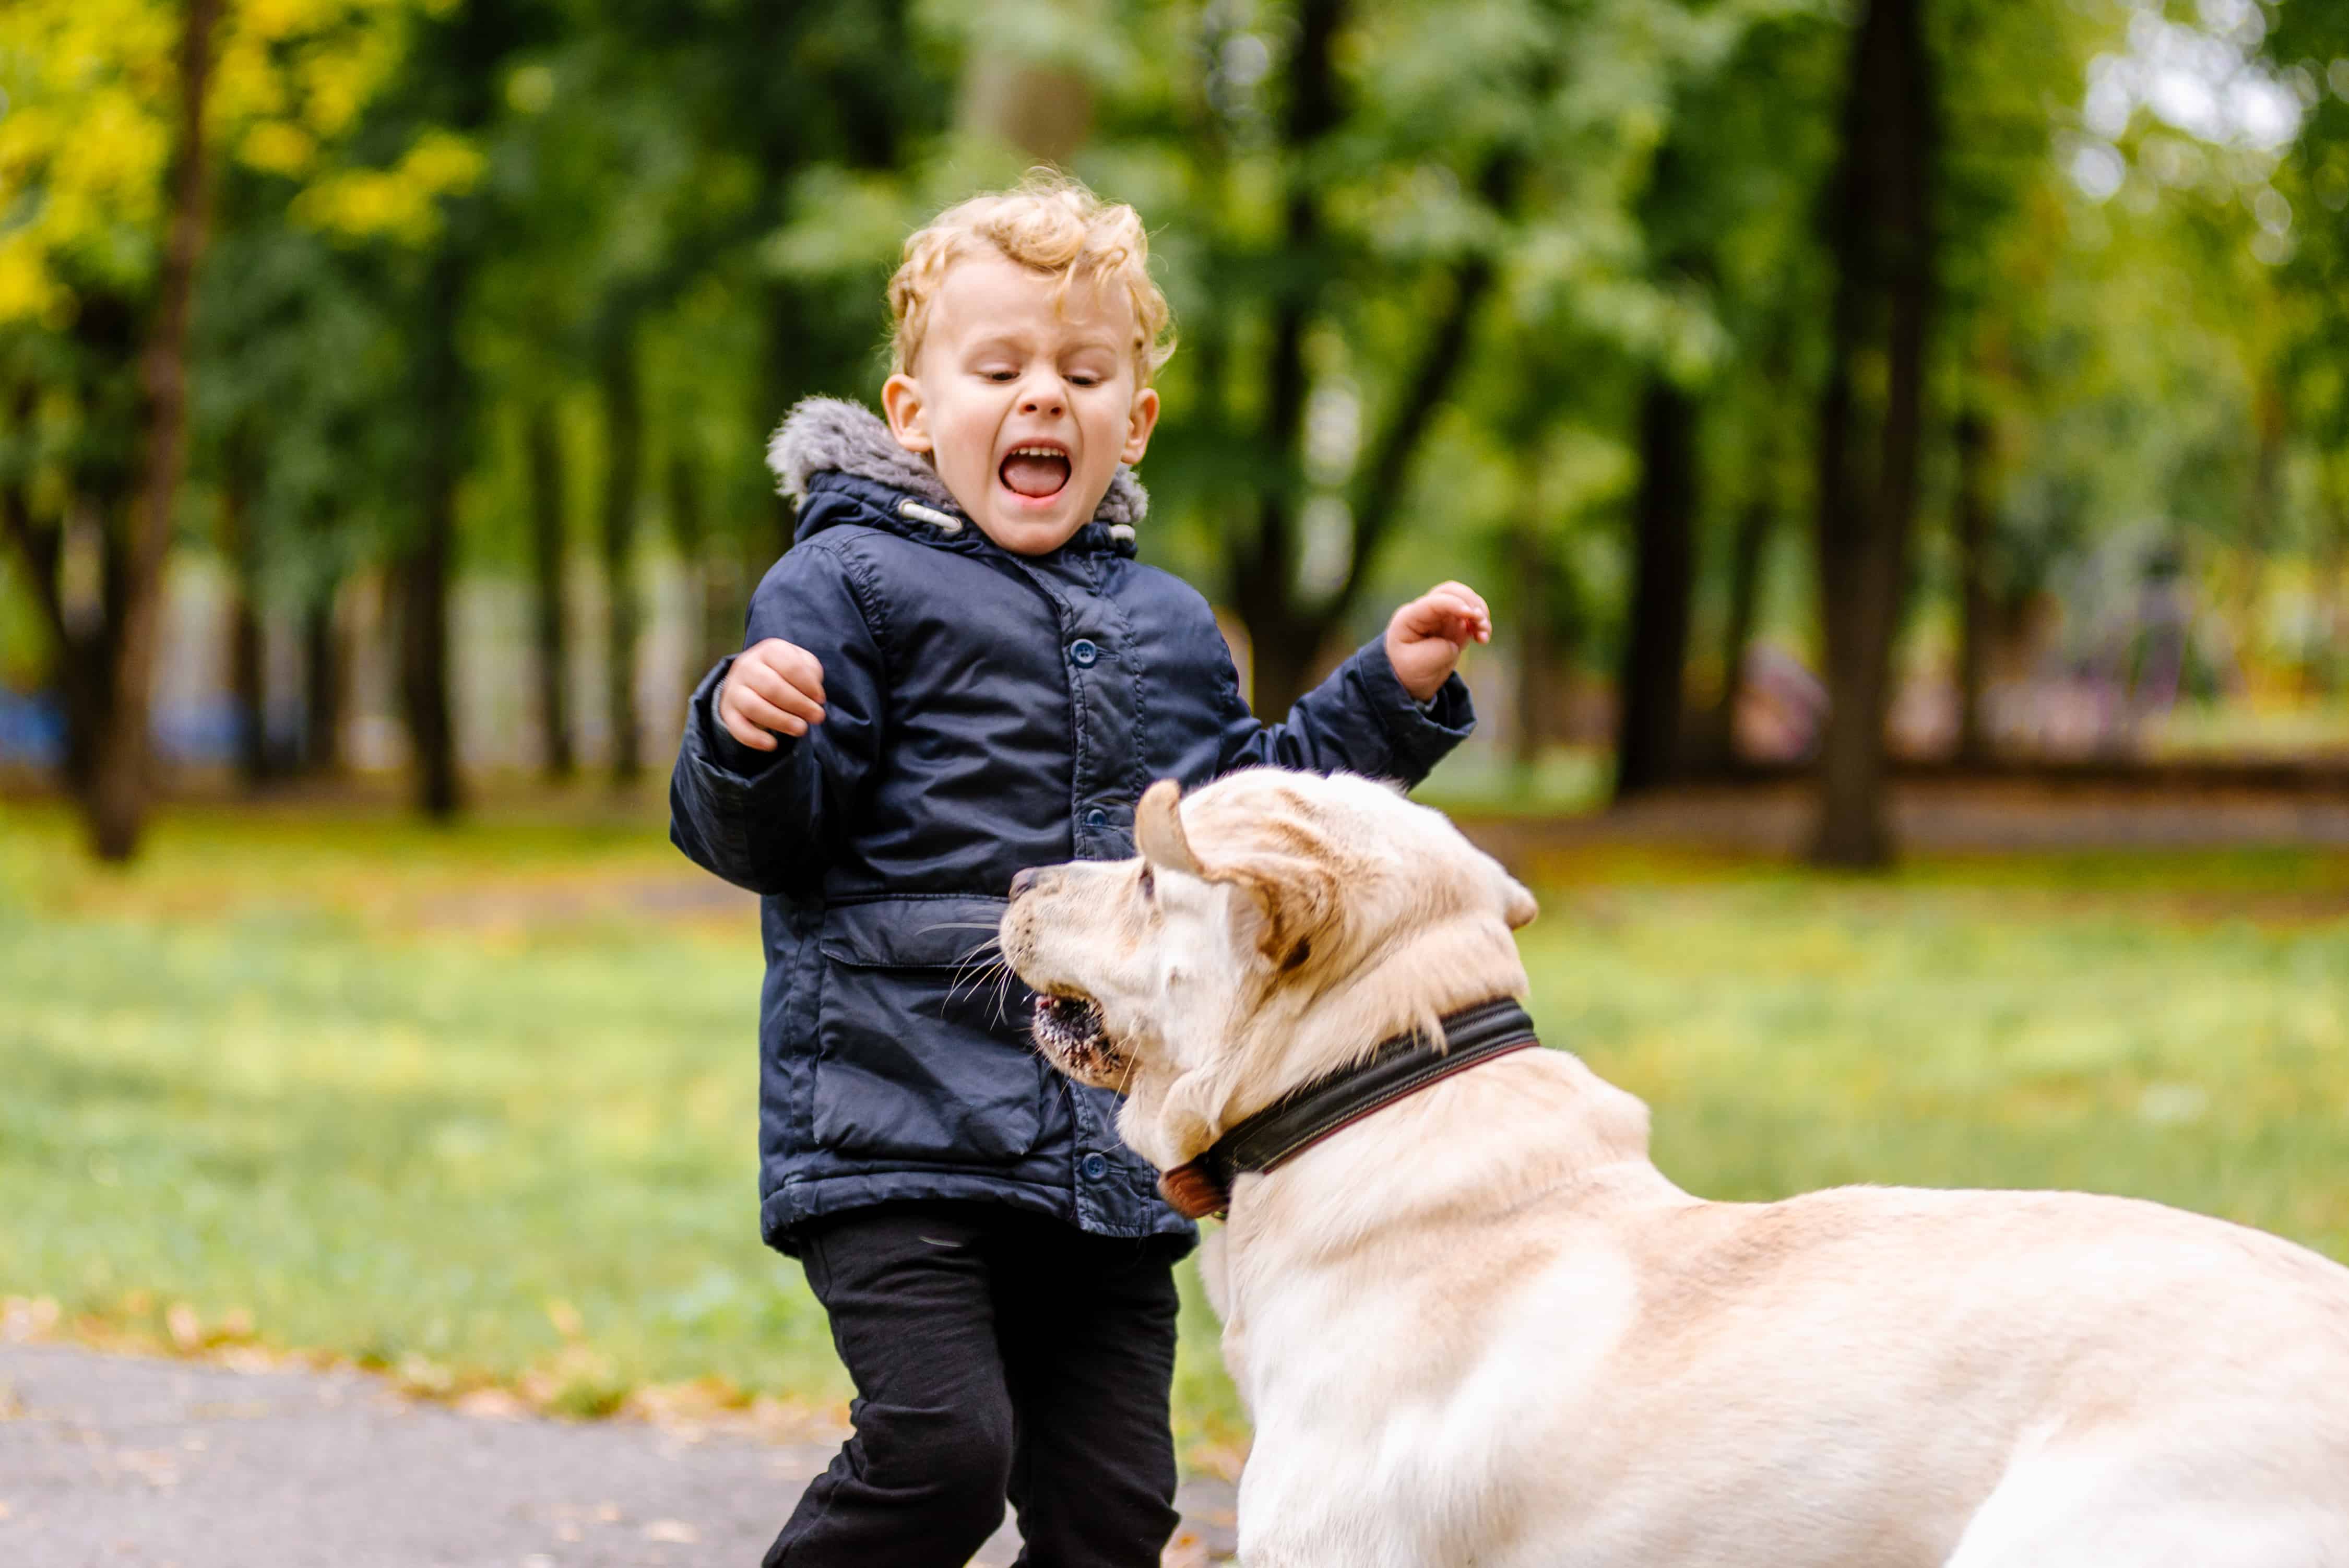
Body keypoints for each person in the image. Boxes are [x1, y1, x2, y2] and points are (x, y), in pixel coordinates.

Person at [668, 172, 1490, 1568]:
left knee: (1113, 1509)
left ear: (1135, 419)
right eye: (999, 368)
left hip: (1107, 1150)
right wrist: (743, 740)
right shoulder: (849, 586)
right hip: (896, 1130)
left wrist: (1386, 696)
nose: (1042, 397)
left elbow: (1242, 816)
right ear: (916, 414)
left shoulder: (1168, 621)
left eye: (1082, 371)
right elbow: (770, 844)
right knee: (941, 1453)